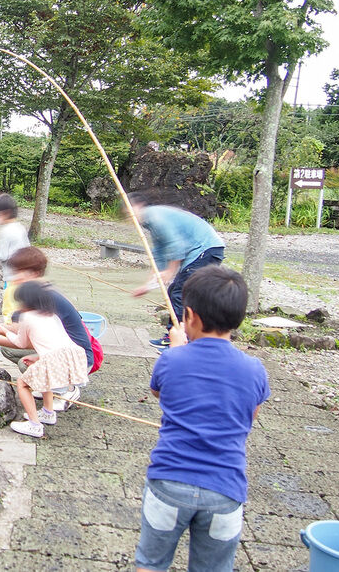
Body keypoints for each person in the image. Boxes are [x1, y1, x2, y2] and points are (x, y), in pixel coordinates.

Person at [134, 265, 269, 572]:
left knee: (151, 563)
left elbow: (161, 395)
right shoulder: (255, 369)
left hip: (169, 482)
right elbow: (251, 414)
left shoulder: (171, 359)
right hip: (225, 489)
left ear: (190, 316)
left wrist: (178, 350)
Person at [0, 246, 94, 410]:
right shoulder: (33, 293)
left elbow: (30, 342)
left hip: (76, 360)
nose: (14, 276)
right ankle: (51, 387)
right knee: (8, 350)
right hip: (66, 354)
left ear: (34, 273)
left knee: (26, 364)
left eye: (20, 271)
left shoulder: (45, 299)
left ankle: (67, 389)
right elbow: (20, 329)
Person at [0, 281, 89, 438]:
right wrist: (38, 357)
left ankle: (35, 425)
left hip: (54, 358)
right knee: (46, 379)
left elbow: (20, 343)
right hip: (71, 354)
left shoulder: (27, 317)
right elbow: (53, 342)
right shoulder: (50, 314)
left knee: (22, 384)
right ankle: (48, 413)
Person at [127, 193, 225, 349]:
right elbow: (159, 253)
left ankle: (181, 339)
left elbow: (175, 245)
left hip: (205, 249)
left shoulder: (154, 216)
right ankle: (172, 335)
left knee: (180, 293)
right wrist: (147, 286)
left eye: (130, 211)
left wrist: (170, 271)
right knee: (176, 291)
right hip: (203, 250)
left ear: (139, 206)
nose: (129, 216)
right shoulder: (150, 221)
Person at [0, 194, 29, 321]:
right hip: (25, 277)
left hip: (12, 278)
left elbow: (3, 256)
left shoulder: (6, 231)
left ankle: (9, 336)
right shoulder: (19, 227)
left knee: (9, 311)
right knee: (22, 309)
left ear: (5, 213)